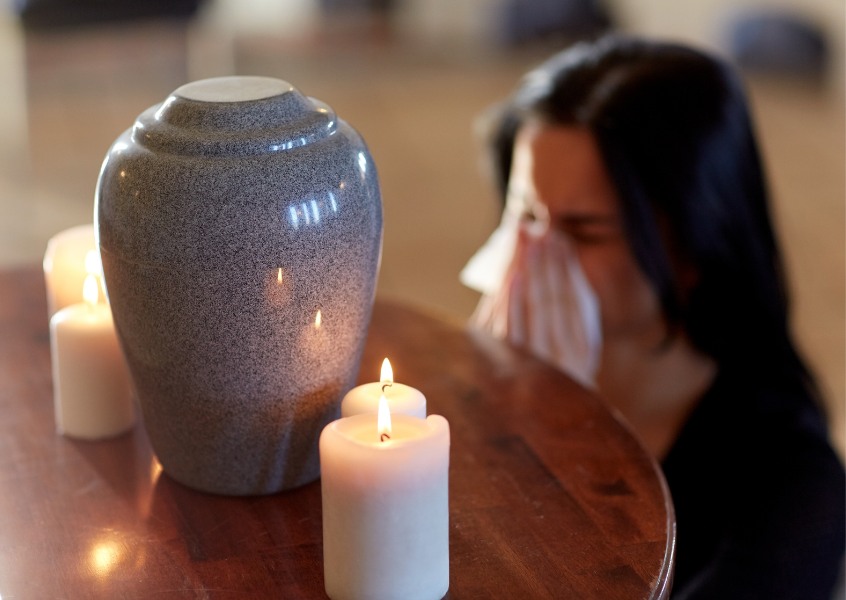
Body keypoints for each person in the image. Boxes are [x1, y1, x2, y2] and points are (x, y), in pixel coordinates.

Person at [462, 35, 845, 599]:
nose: (535, 257)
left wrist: (552, 447)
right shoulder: (502, 365)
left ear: (691, 247)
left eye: (584, 230)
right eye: (525, 214)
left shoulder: (791, 488)